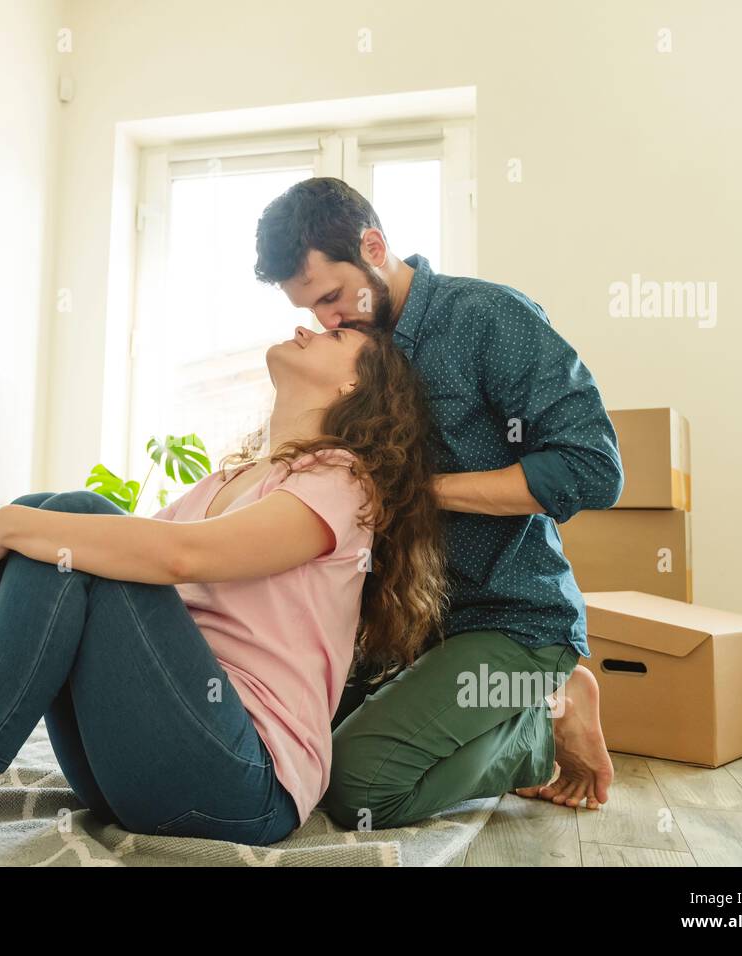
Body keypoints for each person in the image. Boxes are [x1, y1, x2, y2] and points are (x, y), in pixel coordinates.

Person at [0, 322, 449, 866]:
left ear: (356, 381)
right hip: (142, 762)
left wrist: (16, 523)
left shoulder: (342, 481)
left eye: (337, 334)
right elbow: (105, 547)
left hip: (241, 784)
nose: (309, 324)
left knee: (66, 521)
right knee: (54, 524)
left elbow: (178, 555)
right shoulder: (232, 478)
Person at [253, 177, 622, 827]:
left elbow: (590, 469)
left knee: (359, 787)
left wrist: (420, 494)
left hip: (507, 617)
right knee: (288, 752)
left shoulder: (487, 318)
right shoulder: (349, 355)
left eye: (334, 296)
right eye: (313, 309)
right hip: (400, 622)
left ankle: (538, 719)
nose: (328, 320)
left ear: (374, 244)